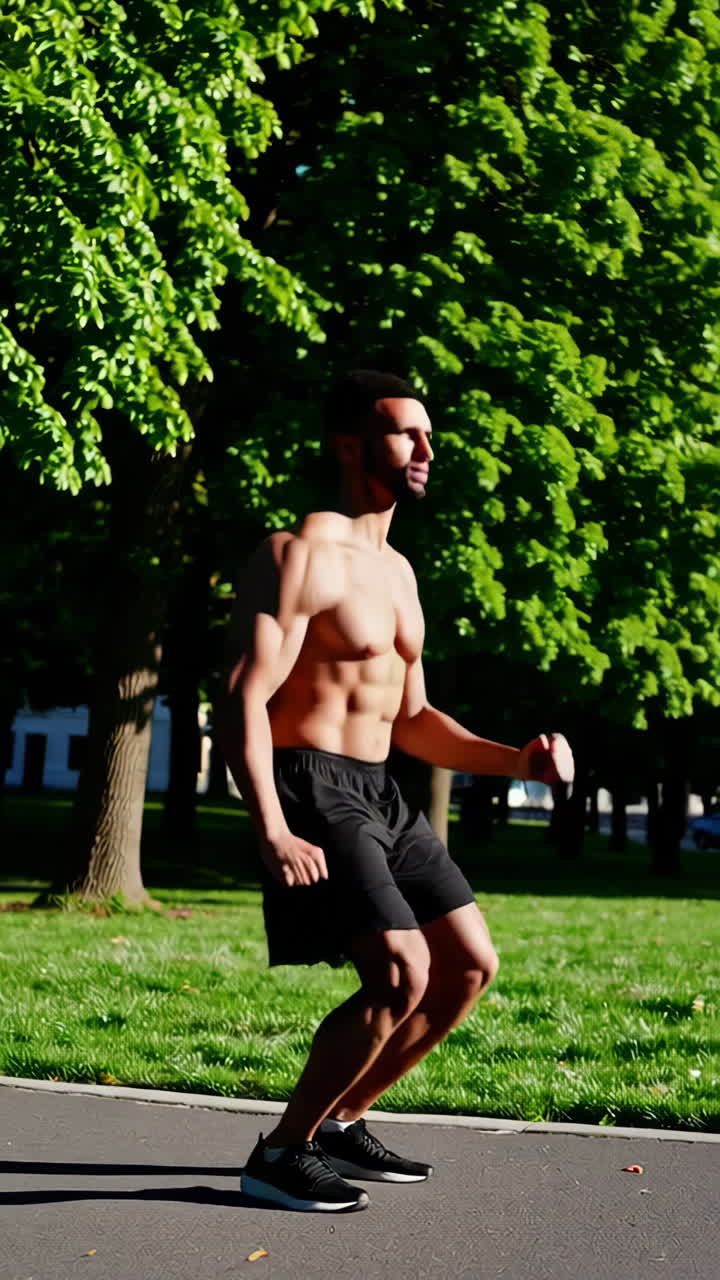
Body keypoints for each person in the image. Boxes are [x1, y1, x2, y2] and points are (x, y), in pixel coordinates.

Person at [220, 370, 574, 1213]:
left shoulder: (401, 573)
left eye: (427, 433)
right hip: (311, 780)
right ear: (349, 445)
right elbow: (243, 695)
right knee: (398, 974)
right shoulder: (297, 552)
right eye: (403, 433)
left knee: (468, 967)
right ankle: (280, 1152)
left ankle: (343, 1121)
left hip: (381, 787)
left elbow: (413, 719)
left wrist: (517, 762)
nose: (425, 448)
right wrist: (270, 824)